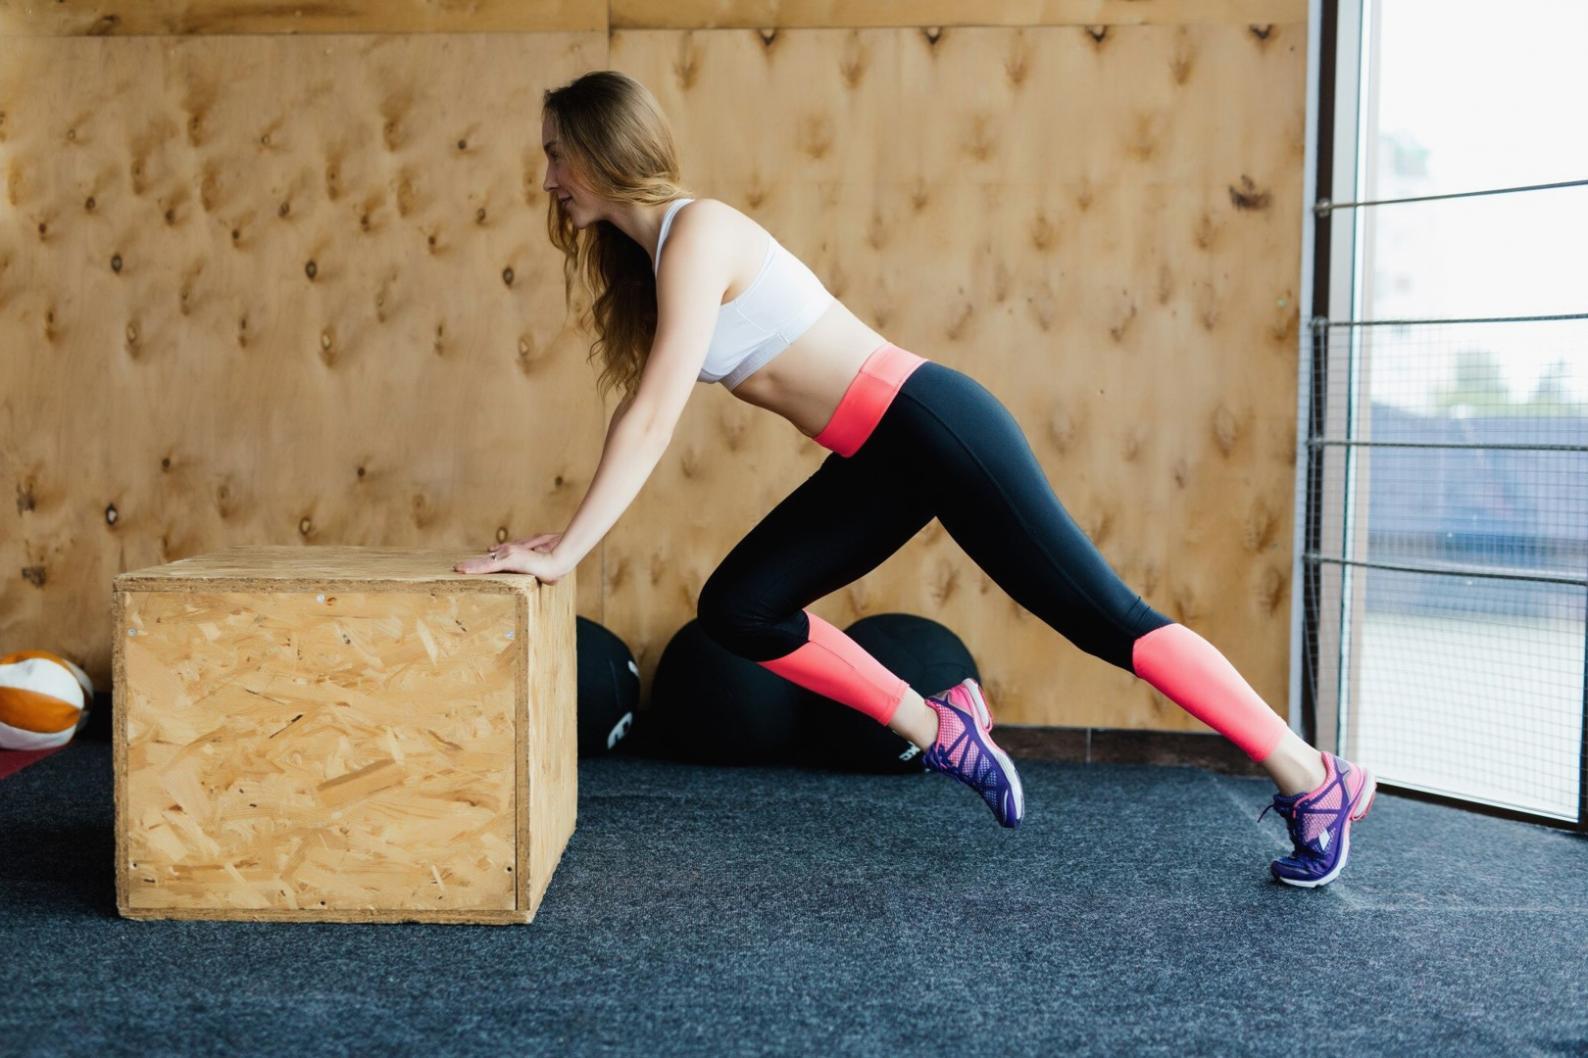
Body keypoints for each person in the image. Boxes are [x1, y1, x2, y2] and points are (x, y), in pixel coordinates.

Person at [454, 70, 1375, 886]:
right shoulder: (658, 260)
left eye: (555, 156)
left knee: (1107, 620)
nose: (546, 180)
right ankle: (943, 732)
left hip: (932, 424)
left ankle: (1312, 774)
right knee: (740, 607)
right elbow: (636, 410)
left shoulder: (700, 233)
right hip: (880, 455)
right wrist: (561, 538)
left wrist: (569, 552)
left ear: (603, 148)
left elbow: (658, 417)